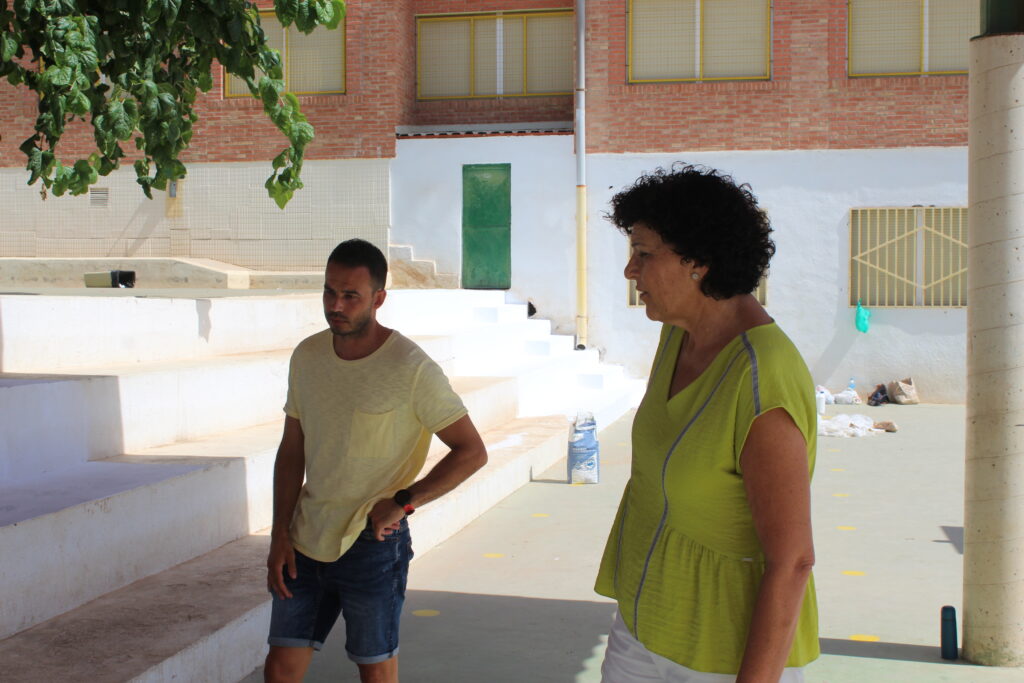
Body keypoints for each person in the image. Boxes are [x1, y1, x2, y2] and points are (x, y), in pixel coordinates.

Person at [595, 164, 819, 682]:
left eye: (644, 254)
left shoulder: (762, 378)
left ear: (697, 260)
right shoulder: (677, 336)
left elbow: (793, 561)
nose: (630, 271)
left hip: (724, 653)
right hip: (643, 624)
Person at [263, 238, 488, 683]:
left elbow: (472, 451)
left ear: (379, 299)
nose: (336, 305)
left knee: (376, 672)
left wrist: (404, 502)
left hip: (373, 543)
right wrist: (279, 533)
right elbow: (292, 450)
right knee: (280, 669)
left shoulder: (411, 368)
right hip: (305, 538)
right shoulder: (307, 356)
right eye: (330, 291)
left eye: (351, 295)